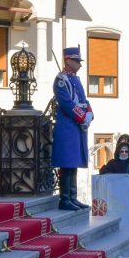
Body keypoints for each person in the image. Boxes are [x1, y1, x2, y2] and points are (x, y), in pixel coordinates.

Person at [51, 46, 92, 210]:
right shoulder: (61, 80)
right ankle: (65, 198)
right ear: (68, 60)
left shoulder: (75, 79)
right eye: (76, 61)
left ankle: (72, 197)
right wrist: (82, 116)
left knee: (73, 162)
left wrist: (89, 113)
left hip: (76, 126)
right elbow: (67, 103)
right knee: (66, 162)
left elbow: (83, 100)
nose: (80, 64)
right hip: (68, 125)